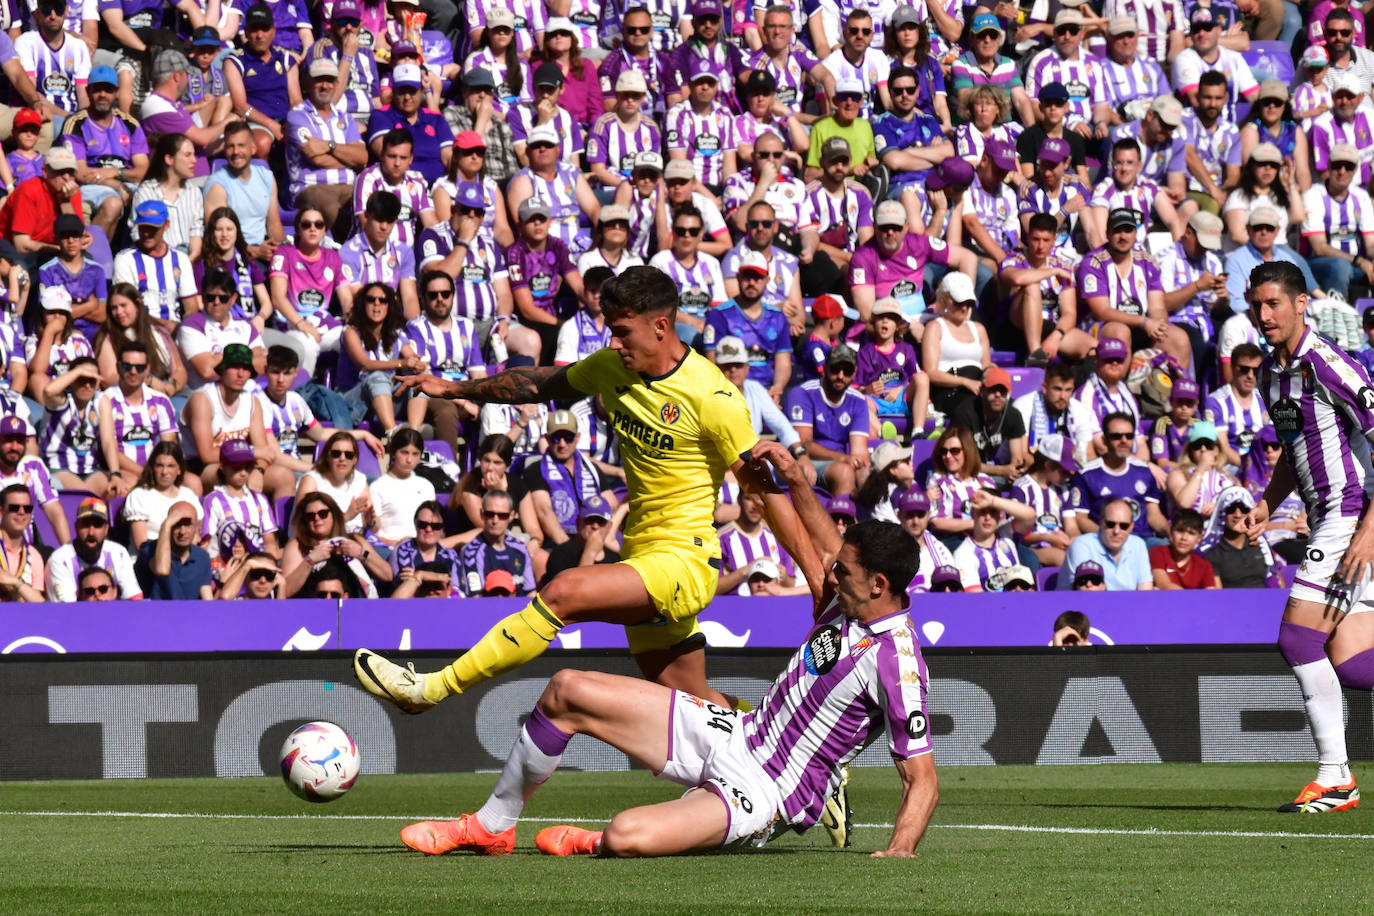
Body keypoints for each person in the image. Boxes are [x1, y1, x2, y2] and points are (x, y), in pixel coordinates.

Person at [358, 266, 818, 724]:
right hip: (642, 550)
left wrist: (816, 579)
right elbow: (539, 383)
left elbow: (764, 491)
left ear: (661, 327)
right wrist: (455, 386)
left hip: (685, 560)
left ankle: (429, 689)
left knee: (563, 591)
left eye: (621, 332)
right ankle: (796, 759)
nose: (612, 343)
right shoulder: (610, 367)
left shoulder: (714, 395)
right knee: (692, 699)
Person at [395, 509, 935, 860]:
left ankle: (602, 841)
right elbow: (824, 541)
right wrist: (791, 478)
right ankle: (492, 826)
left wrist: (900, 850)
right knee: (566, 689)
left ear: (879, 584)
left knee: (628, 835)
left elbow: (922, 778)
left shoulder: (898, 662)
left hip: (765, 791)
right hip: (735, 732)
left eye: (842, 571)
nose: (829, 574)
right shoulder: (850, 599)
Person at [63, 64, 147, 241]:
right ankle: (94, 258)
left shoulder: (130, 124)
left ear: (116, 92)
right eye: (97, 89)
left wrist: (114, 173)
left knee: (151, 199)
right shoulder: (76, 123)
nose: (102, 95)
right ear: (88, 90)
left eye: (108, 89)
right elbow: (81, 173)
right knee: (113, 203)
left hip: (125, 181)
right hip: (92, 186)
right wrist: (114, 184)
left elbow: (142, 171)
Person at [286, 58, 368, 237]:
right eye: (319, 79)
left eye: (330, 80)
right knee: (330, 206)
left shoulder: (345, 118)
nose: (325, 85)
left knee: (373, 201)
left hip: (348, 186)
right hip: (311, 188)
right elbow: (316, 158)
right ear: (307, 82)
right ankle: (338, 252)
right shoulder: (297, 116)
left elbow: (362, 157)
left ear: (337, 84)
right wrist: (349, 158)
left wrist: (327, 145)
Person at [785, 343, 868, 496]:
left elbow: (859, 451)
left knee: (867, 476)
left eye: (847, 371)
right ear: (825, 368)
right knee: (844, 472)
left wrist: (861, 468)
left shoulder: (858, 400)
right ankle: (840, 519)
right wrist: (842, 458)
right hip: (803, 461)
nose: (841, 376)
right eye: (835, 369)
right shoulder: (803, 393)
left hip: (840, 462)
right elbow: (804, 444)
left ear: (855, 373)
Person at [1075, 411, 1169, 539]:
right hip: (1105, 542)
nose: (1123, 441)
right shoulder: (1086, 475)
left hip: (1142, 541)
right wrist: (1110, 537)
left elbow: (1154, 516)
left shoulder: (1144, 471)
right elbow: (1081, 519)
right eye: (1116, 436)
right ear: (1104, 440)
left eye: (1129, 436)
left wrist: (1170, 532)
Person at [112, 200, 200, 335]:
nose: (146, 233)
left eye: (152, 228)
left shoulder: (180, 258)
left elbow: (191, 306)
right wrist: (165, 326)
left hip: (176, 331)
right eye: (143, 227)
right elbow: (126, 310)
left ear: (166, 225)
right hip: (140, 330)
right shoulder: (125, 259)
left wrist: (184, 331)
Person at [202, 122, 286, 260]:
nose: (236, 152)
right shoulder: (217, 185)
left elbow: (274, 224)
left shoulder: (266, 177)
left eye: (241, 145)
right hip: (233, 255)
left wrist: (280, 251)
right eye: (230, 146)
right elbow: (218, 237)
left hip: (263, 251)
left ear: (253, 148)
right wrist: (256, 252)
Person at [281, 492, 390, 598]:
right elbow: (285, 591)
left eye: (323, 514)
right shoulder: (297, 546)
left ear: (334, 515)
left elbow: (387, 575)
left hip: (354, 607)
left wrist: (361, 553)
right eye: (310, 516)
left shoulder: (355, 539)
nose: (317, 518)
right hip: (312, 608)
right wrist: (310, 560)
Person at [922, 272, 990, 433]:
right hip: (950, 391)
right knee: (970, 406)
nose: (964, 307)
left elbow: (986, 364)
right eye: (959, 302)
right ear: (945, 300)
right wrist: (965, 382)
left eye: (968, 303)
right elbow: (931, 372)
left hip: (978, 385)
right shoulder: (935, 328)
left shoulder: (978, 329)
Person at [177, 267, 266, 389]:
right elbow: (207, 371)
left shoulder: (247, 327)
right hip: (205, 397)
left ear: (233, 299)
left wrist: (219, 358)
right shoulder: (190, 326)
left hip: (244, 394)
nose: (217, 302)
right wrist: (245, 358)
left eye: (223, 298)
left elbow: (262, 365)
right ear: (202, 297)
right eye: (211, 297)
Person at [45, 495, 142, 601]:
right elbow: (67, 611)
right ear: (76, 527)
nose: (91, 532)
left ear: (106, 529)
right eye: (85, 525)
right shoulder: (61, 559)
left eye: (97, 525)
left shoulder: (119, 553)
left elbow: (134, 598)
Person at [1009, 432, 1082, 568]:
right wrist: (1048, 538)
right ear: (1048, 465)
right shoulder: (1022, 487)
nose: (1069, 475)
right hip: (1031, 546)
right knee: (1063, 560)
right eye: (1064, 471)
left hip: (1060, 543)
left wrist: (1073, 539)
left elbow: (1071, 526)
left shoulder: (1064, 490)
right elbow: (1016, 531)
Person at [201, 439, 280, 563]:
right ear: (222, 467)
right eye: (236, 468)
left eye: (248, 467)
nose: (243, 473)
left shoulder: (259, 499)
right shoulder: (213, 500)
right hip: (226, 565)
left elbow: (269, 541)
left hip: (256, 565)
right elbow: (208, 542)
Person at [1059, 496, 1153, 591]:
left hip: (1126, 605)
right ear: (1101, 522)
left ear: (1132, 526)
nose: (1116, 531)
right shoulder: (1081, 546)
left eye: (1124, 526)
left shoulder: (1138, 545)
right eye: (1110, 524)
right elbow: (1087, 592)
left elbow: (1145, 592)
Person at [121, 440, 199, 549]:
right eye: (159, 465)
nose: (164, 472)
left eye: (171, 466)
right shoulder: (139, 496)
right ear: (152, 467)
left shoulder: (188, 496)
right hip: (150, 559)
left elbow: (196, 537)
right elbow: (141, 545)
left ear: (179, 470)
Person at [458, 489, 537, 597]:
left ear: (511, 516)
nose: (495, 521)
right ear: (482, 514)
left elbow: (530, 592)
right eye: (490, 514)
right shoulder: (471, 552)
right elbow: (476, 598)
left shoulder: (520, 548)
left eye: (502, 515)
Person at [951, 488, 1033, 591]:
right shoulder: (963, 553)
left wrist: (993, 501)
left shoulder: (1006, 536)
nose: (988, 517)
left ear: (1000, 515)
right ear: (973, 513)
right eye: (982, 512)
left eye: (993, 511)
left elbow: (1030, 516)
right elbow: (975, 598)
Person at [369, 427, 436, 546]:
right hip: (389, 548)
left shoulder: (426, 486)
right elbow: (372, 533)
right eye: (404, 452)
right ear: (394, 452)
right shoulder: (378, 487)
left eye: (415, 454)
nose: (409, 460)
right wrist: (397, 544)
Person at [136, 499, 213, 600]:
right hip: (158, 613)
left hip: (190, 614)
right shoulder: (149, 549)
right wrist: (165, 526)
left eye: (188, 524)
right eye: (176, 524)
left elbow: (208, 599)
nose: (182, 531)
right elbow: (162, 570)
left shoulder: (202, 557)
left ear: (196, 527)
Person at [1165, 421, 1238, 514]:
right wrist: (1200, 470)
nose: (1203, 449)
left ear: (1217, 449)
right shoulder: (1178, 474)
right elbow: (1184, 503)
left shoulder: (1228, 476)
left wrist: (1218, 506)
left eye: (1208, 444)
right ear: (1190, 449)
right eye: (1197, 445)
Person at [1150, 507, 1219, 589]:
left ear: (1199, 538)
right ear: (1171, 531)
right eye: (1180, 531)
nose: (1184, 538)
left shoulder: (1204, 566)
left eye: (1191, 533)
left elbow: (1210, 594)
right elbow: (1163, 584)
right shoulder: (1158, 552)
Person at [0, 482, 44, 601]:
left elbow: (40, 604)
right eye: (14, 508)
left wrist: (16, 583)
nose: (21, 512)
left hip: (21, 617)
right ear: (1, 511)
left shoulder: (34, 556)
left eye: (27, 508)